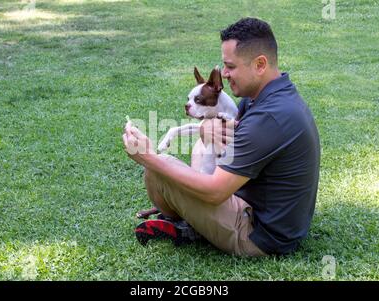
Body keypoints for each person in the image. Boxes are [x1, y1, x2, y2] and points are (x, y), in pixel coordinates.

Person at [123, 17, 320, 256]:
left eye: (231, 66)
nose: (224, 73)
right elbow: (228, 136)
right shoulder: (271, 96)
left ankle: (189, 224)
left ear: (259, 64)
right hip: (267, 218)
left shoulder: (269, 117)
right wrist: (207, 128)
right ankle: (189, 220)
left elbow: (215, 191)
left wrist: (148, 158)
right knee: (204, 140)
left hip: (258, 235)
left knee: (160, 166)